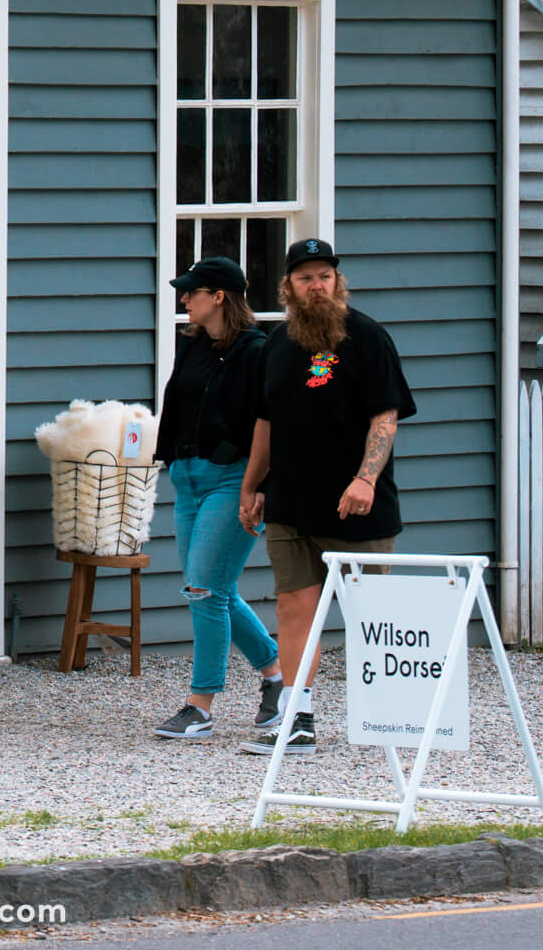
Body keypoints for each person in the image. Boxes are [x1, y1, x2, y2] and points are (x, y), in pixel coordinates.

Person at [238, 238, 416, 759]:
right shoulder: (275, 346)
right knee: (295, 607)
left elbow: (386, 416)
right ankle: (297, 717)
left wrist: (365, 479)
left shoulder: (366, 336)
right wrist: (251, 486)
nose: (316, 286)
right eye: (304, 278)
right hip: (290, 502)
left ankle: (392, 718)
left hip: (356, 505)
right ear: (287, 288)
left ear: (338, 282)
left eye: (324, 276)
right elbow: (265, 423)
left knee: (370, 614)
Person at [152, 255, 283, 741]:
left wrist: (259, 488)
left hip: (234, 480)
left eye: (192, 292)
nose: (184, 299)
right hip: (187, 478)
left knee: (205, 589)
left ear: (219, 297)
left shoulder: (257, 350)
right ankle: (275, 678)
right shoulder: (192, 345)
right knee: (209, 589)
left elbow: (269, 426)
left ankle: (200, 706)